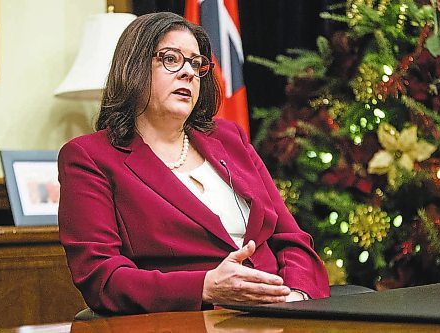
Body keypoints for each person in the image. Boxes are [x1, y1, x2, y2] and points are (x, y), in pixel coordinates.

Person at [58, 12, 330, 315]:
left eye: (197, 63)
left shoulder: (229, 139)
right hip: (187, 319)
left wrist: (297, 295)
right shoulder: (89, 157)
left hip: (281, 314)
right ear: (133, 66)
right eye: (171, 59)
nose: (188, 72)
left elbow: (291, 239)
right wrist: (205, 287)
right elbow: (102, 278)